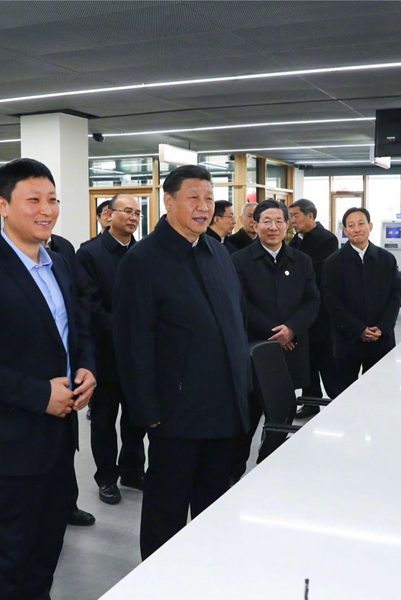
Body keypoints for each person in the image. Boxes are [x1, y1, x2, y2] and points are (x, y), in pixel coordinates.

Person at [0, 158, 96, 600]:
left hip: (58, 437)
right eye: (34, 200)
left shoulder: (59, 262)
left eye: (52, 199)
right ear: (3, 205)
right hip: (8, 442)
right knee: (8, 557)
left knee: (46, 551)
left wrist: (86, 367)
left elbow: (76, 329)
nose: (46, 210)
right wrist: (39, 394)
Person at [113, 165, 249, 560]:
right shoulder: (143, 260)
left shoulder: (218, 252)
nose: (203, 206)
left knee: (214, 507)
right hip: (175, 413)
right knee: (167, 509)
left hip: (224, 407)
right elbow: (132, 341)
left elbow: (235, 323)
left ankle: (205, 575)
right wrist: (146, 410)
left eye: (209, 198)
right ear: (168, 201)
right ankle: (158, 580)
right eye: (193, 198)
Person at [231, 199, 319, 477]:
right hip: (255, 352)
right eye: (266, 221)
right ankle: (232, 474)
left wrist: (291, 329)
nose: (273, 227)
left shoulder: (301, 260)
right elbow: (240, 304)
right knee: (247, 417)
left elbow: (312, 300)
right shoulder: (239, 260)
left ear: (287, 225)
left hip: (291, 349)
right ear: (255, 224)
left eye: (279, 221)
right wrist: (276, 333)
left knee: (283, 414)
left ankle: (267, 467)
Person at [76, 194, 147, 506]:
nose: (133, 217)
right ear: (109, 214)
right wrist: (125, 332)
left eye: (137, 213)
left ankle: (132, 470)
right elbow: (90, 304)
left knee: (136, 417)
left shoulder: (143, 252)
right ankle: (106, 477)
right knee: (104, 420)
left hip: (139, 353)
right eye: (127, 211)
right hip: (105, 352)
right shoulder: (89, 253)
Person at [45, 233, 97, 528]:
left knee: (64, 455)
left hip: (66, 386)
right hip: (27, 396)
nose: (45, 211)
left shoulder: (61, 251)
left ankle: (68, 504)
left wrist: (85, 365)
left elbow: (78, 309)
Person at [322, 207, 401, 395]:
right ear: (344, 230)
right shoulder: (333, 262)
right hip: (347, 340)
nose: (356, 229)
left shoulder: (386, 259)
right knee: (344, 394)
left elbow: (395, 296)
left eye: (361, 224)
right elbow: (332, 302)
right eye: (351, 225)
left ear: (370, 226)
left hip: (381, 340)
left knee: (380, 394)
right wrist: (358, 329)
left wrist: (382, 327)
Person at [288, 198, 339, 419]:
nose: (292, 221)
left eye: (296, 215)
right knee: (306, 359)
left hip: (322, 311)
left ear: (310, 216)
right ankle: (310, 401)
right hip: (301, 311)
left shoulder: (327, 239)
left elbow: (318, 270)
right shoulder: (294, 241)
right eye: (290, 216)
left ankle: (338, 400)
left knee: (327, 359)